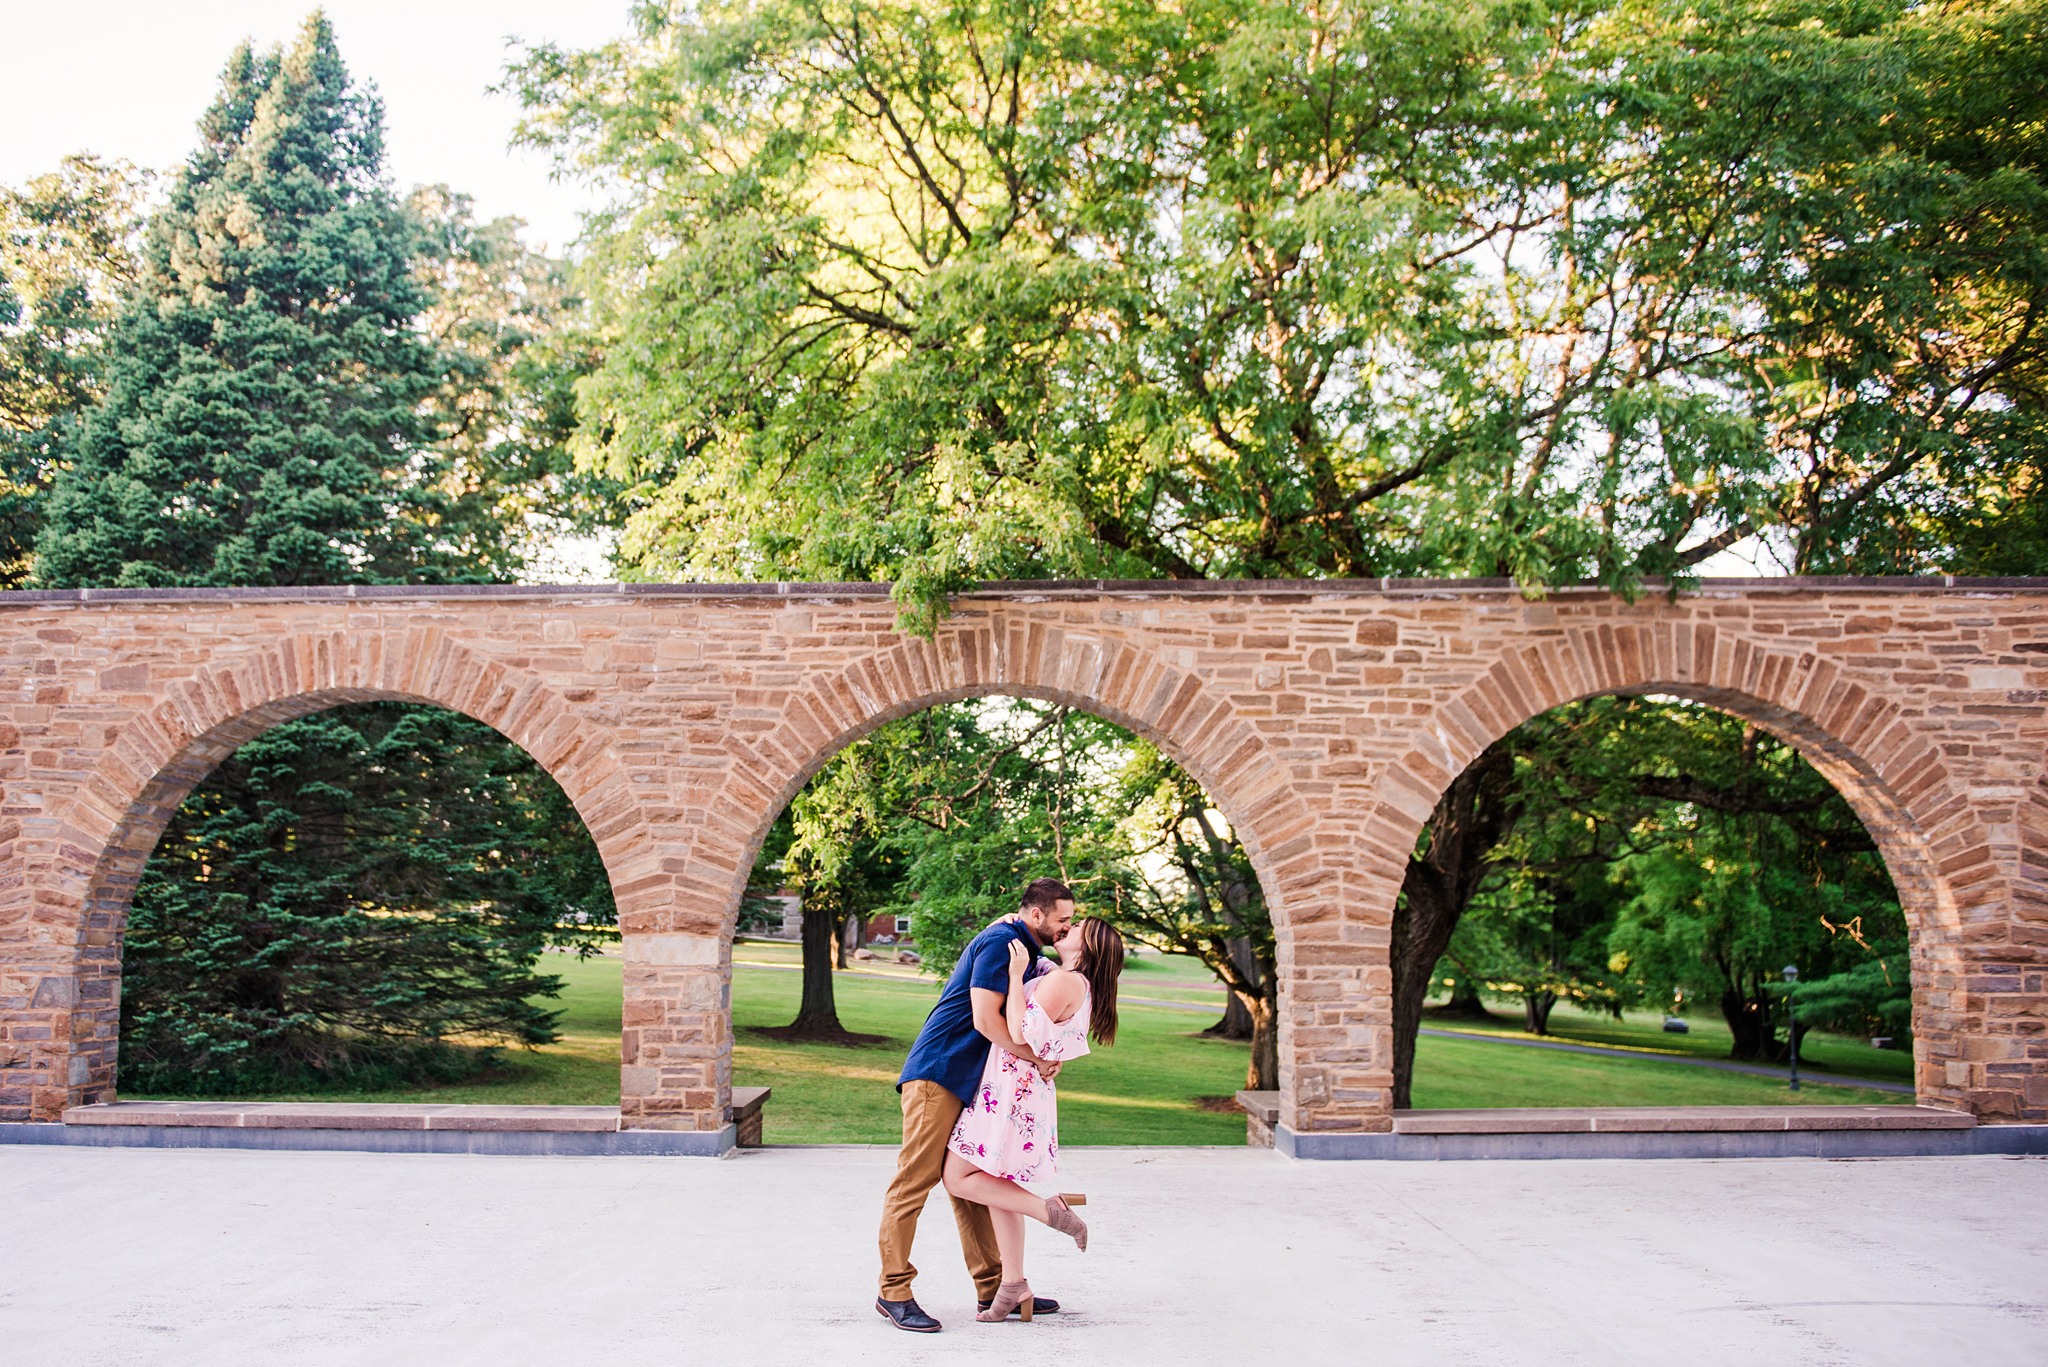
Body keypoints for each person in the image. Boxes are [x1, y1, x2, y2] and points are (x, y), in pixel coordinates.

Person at [875, 877, 1074, 1334]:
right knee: (914, 1182)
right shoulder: (1003, 941)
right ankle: (893, 1291)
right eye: (1062, 919)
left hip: (970, 1082)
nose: (1068, 927)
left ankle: (995, 1286)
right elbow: (985, 1020)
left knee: (969, 1182)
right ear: (1036, 914)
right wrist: (1037, 1057)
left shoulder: (1025, 950)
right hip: (939, 1073)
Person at [943, 914, 1124, 1322]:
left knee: (959, 1177)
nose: (1067, 928)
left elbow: (1019, 1031)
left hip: (1010, 1088)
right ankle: (1014, 1284)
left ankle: (1053, 1211)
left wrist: (1011, 974)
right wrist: (1002, 927)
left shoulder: (1065, 981)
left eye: (1076, 927)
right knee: (998, 1182)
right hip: (1019, 1086)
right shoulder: (1064, 976)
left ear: (1088, 944)